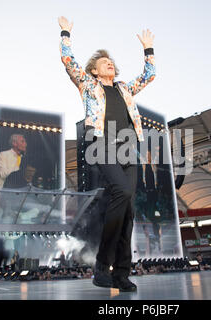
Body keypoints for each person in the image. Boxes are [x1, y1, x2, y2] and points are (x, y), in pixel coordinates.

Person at [58, 16, 156, 292]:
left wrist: (148, 49)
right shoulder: (89, 86)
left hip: (128, 147)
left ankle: (121, 274)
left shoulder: (124, 89)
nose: (109, 64)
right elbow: (68, 62)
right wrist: (65, 32)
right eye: (103, 62)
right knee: (122, 193)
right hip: (100, 142)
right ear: (94, 71)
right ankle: (102, 266)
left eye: (111, 61)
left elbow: (149, 76)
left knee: (128, 212)